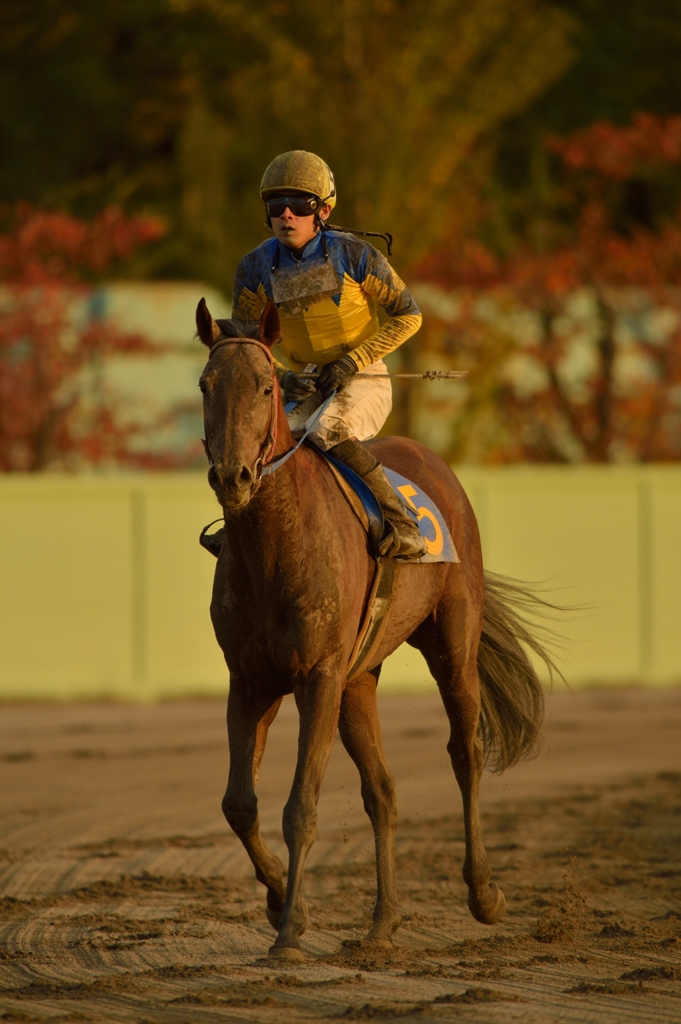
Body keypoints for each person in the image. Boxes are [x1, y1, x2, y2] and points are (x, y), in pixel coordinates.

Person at [232, 150, 426, 559]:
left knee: (327, 431)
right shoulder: (252, 268)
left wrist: (351, 362)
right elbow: (247, 346)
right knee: (261, 442)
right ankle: (238, 533)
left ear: (323, 211)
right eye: (276, 206)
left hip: (363, 376)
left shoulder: (357, 256)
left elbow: (410, 316)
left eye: (299, 205)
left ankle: (403, 523)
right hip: (303, 383)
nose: (287, 215)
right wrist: (283, 376)